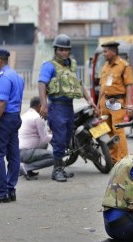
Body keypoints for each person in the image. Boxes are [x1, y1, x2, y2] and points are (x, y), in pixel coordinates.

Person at [38, 34, 97, 182]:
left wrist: (89, 99)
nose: (64, 53)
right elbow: (41, 84)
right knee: (59, 139)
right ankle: (56, 170)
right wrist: (44, 104)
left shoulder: (72, 66)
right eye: (61, 50)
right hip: (56, 107)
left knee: (67, 138)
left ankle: (61, 168)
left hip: (68, 107)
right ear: (56, 50)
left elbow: (79, 83)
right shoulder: (49, 66)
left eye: (66, 50)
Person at [0, 49, 24, 204]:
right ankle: (10, 190)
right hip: (14, 118)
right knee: (13, 155)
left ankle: (1, 192)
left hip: (5, 118)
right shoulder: (17, 76)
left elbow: (2, 102)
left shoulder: (4, 77)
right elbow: (19, 101)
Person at [98, 41, 133, 164]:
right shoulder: (104, 66)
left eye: (105, 51)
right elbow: (101, 87)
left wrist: (129, 105)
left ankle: (124, 159)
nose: (103, 54)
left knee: (118, 129)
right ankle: (114, 159)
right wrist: (98, 105)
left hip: (116, 101)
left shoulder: (124, 66)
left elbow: (129, 86)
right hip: (105, 101)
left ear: (113, 51)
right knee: (107, 130)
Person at [19, 96, 54, 181]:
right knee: (55, 157)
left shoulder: (24, 115)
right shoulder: (37, 117)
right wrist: (58, 137)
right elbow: (45, 138)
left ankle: (28, 170)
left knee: (44, 144)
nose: (46, 109)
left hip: (19, 152)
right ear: (39, 106)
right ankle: (26, 168)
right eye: (44, 106)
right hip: (26, 152)